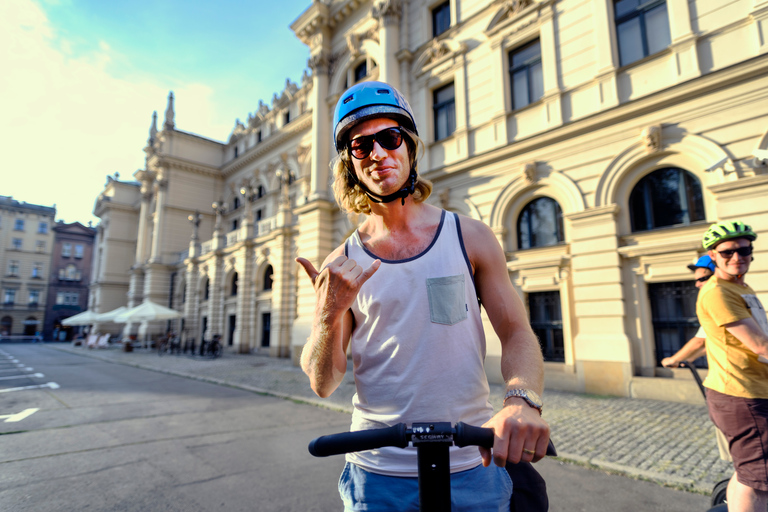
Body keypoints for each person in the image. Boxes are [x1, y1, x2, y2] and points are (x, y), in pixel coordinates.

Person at [296, 81, 550, 511]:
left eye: (389, 138)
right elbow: (323, 382)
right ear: (350, 165)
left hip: (472, 464)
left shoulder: (469, 236)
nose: (377, 153)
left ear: (409, 147)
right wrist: (328, 316)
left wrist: (521, 401)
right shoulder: (342, 262)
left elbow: (516, 332)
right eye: (361, 147)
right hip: (376, 474)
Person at [696, 220, 768, 512]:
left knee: (750, 469)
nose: (737, 257)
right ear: (713, 255)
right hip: (742, 394)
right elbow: (761, 345)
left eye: (743, 250)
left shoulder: (740, 286)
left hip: (752, 388)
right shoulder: (718, 292)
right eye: (727, 252)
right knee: (760, 481)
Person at [660, 255, 715, 368]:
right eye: (696, 280)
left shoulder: (716, 299)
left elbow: (700, 341)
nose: (697, 284)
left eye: (702, 279)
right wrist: (690, 358)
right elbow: (715, 341)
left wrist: (673, 359)